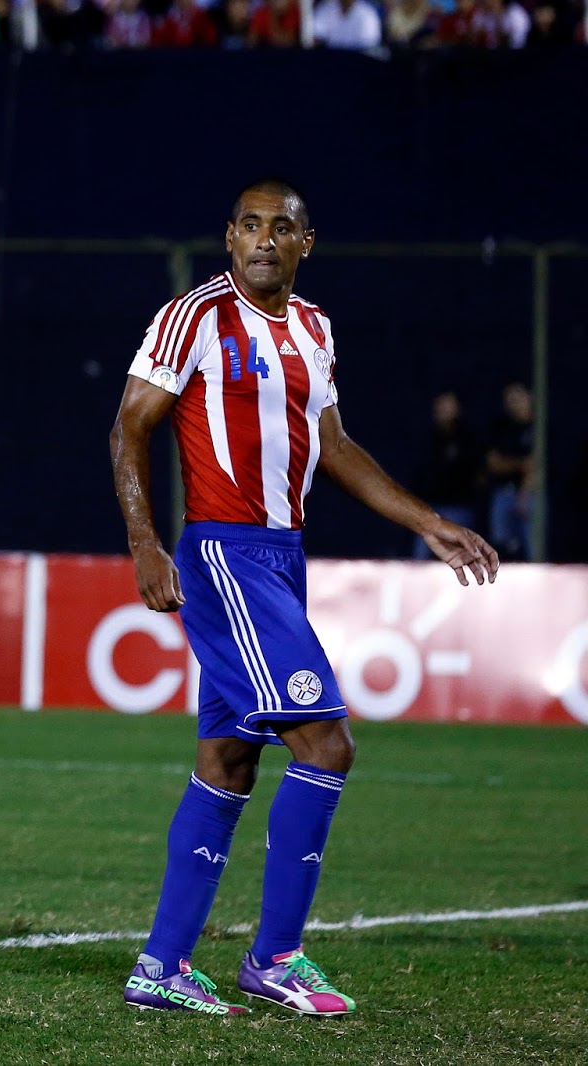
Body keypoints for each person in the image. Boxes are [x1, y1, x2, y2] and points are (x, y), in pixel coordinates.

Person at [109, 181, 498, 1016]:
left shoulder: (314, 330)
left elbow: (333, 445)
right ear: (228, 237)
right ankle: (275, 956)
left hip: (282, 559)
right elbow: (130, 424)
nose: (262, 239)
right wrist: (144, 540)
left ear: (305, 243)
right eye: (249, 226)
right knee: (326, 744)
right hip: (224, 553)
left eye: (280, 227)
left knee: (229, 760)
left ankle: (162, 968)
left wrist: (429, 522)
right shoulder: (194, 317)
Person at [411, 390, 485, 560]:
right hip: (430, 509)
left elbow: (478, 475)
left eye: (447, 405)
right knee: (418, 558)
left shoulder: (468, 439)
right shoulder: (429, 439)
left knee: (460, 556)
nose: (443, 409)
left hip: (460, 509)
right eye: (440, 405)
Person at [486, 381, 535, 560]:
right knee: (501, 547)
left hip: (531, 495)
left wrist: (524, 492)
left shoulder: (539, 426)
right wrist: (520, 464)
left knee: (532, 547)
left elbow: (536, 465)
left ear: (529, 397)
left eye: (518, 397)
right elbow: (493, 463)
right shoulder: (501, 427)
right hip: (503, 493)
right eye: (509, 398)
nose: (513, 402)